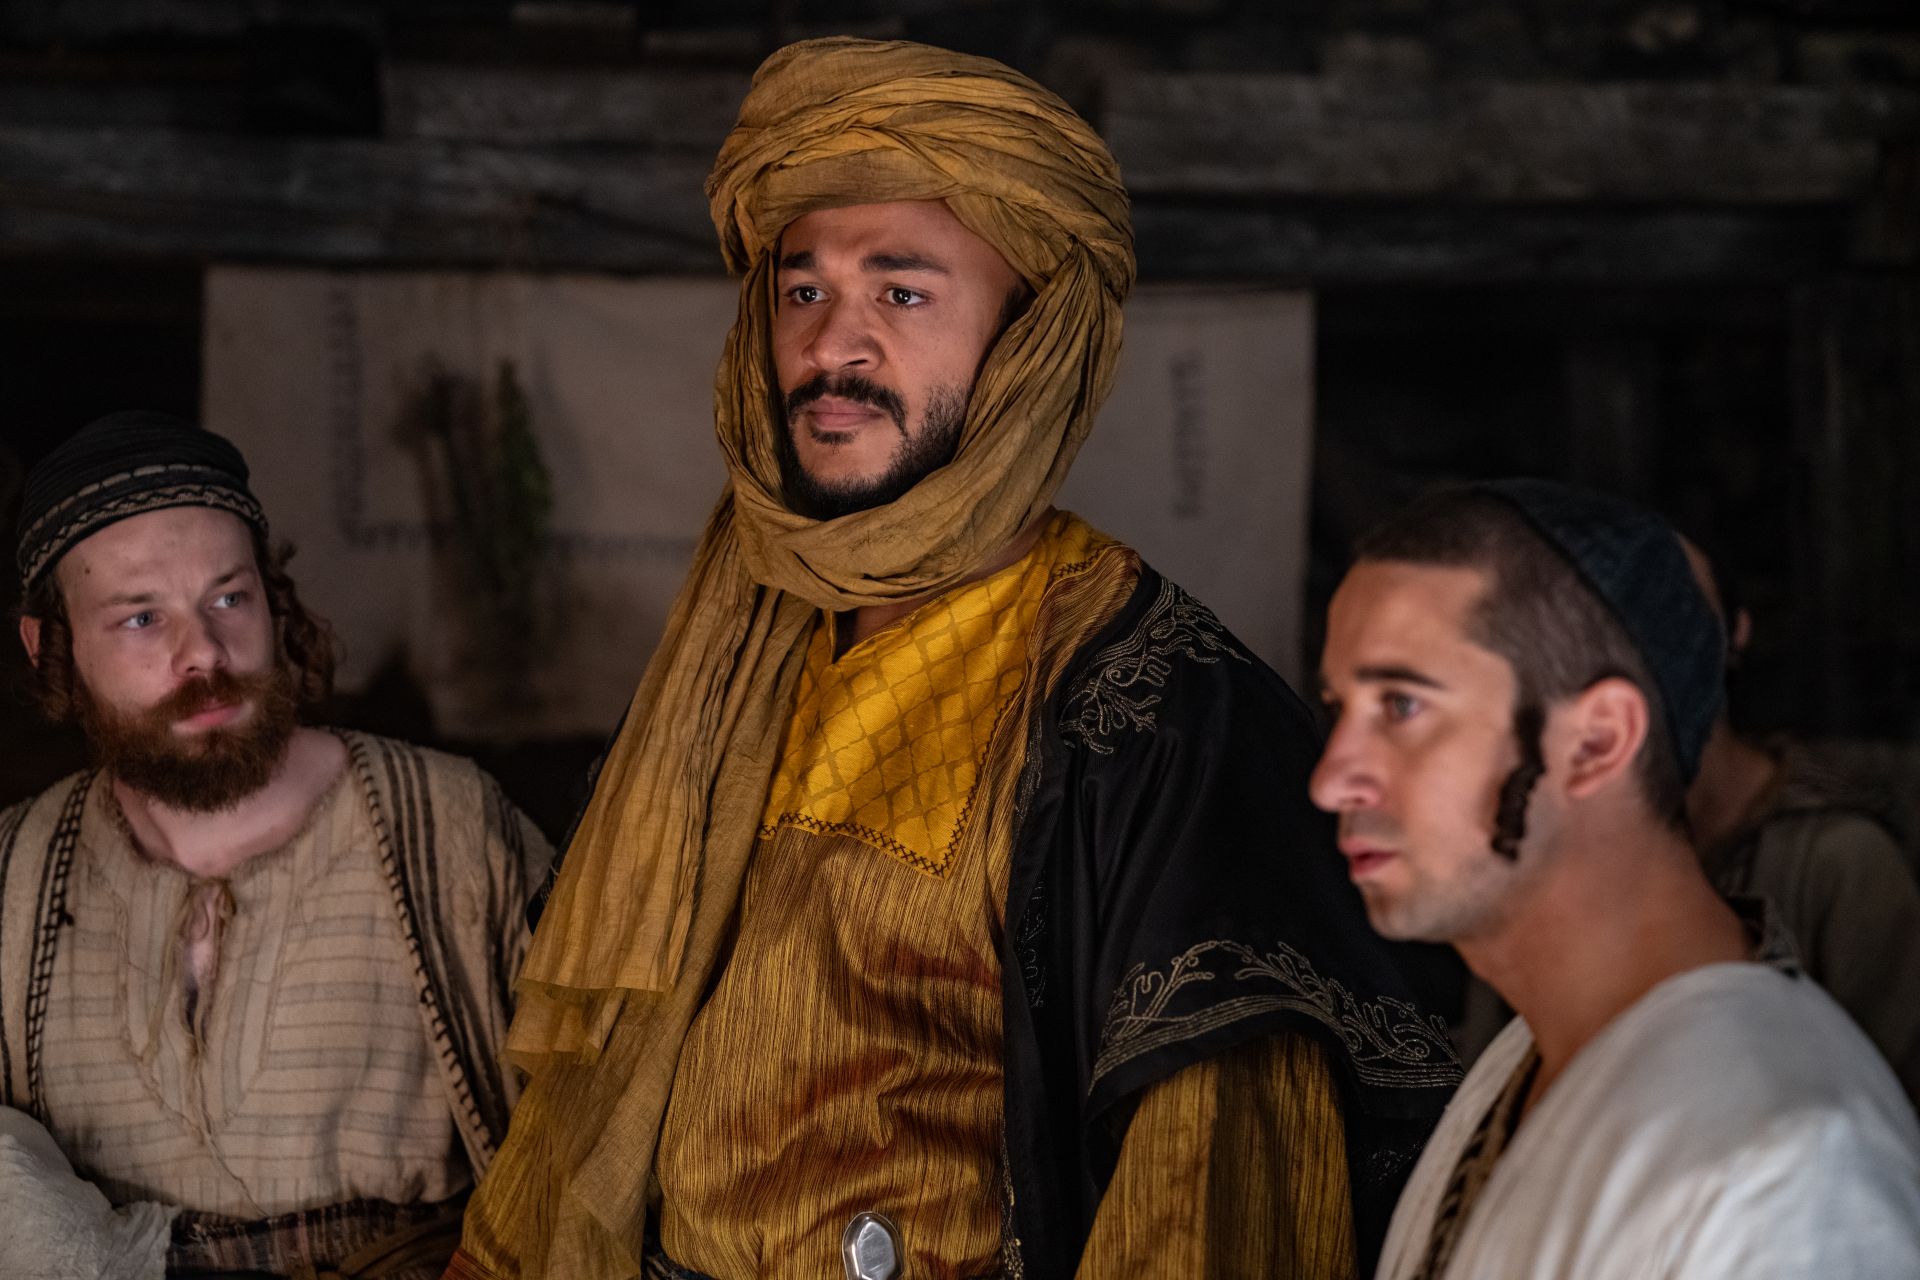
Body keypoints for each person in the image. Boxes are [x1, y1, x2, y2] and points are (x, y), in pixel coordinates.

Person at [450, 37, 1460, 1280]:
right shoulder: (740, 642)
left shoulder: (1163, 713)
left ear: (1030, 342)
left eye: (904, 294)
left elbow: (1202, 1200)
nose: (834, 346)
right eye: (803, 290)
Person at [1313, 478, 1920, 1280]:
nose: (1332, 780)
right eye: (1339, 709)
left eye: (1402, 706)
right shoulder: (1527, 1053)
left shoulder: (1787, 1170)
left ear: (1597, 741)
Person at [1, 412, 553, 1279]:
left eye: (229, 598)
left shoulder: (449, 826)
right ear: (49, 649)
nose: (204, 653)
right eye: (141, 618)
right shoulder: (14, 877)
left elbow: (592, 1124)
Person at [1680, 538, 1920, 1102]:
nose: (1647, 639)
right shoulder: (1578, 853)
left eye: (1676, 607)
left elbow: (1888, 1099)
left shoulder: (1840, 857)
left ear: (1735, 632)